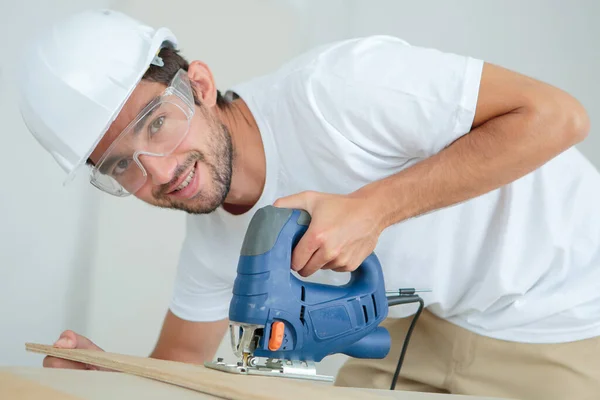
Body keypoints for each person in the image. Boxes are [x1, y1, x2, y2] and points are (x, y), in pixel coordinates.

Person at [18, 8, 598, 400]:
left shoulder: (338, 89)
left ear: (198, 85)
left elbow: (559, 116)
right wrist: (107, 378)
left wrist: (373, 209)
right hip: (422, 331)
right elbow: (177, 371)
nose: (161, 173)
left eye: (157, 124)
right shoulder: (216, 239)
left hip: (560, 317)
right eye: (121, 165)